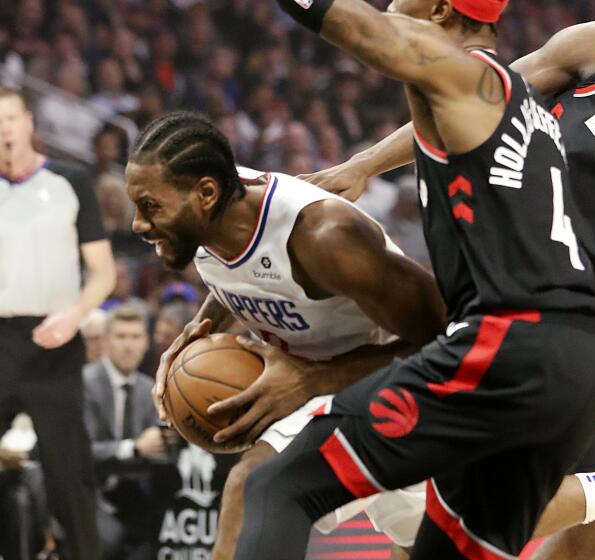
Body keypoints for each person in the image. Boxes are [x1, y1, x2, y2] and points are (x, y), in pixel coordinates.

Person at [218, 0, 595, 557]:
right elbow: (470, 92)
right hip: (509, 287)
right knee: (435, 508)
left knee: (591, 518)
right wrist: (363, 165)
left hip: (588, 314)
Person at [123, 112, 446, 560]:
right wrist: (198, 334)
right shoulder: (207, 205)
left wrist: (311, 380)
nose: (138, 224)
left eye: (150, 206)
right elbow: (238, 268)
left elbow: (447, 338)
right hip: (319, 386)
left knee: (258, 486)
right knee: (254, 486)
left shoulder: (324, 236)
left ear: (206, 195)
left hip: (396, 383)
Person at [0, 86, 116, 560]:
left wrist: (75, 316)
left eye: (10, 118)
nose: (3, 129)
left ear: (30, 122)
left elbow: (104, 273)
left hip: (55, 341)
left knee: (70, 477)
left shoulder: (70, 181)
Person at [83, 305, 171, 560]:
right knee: (109, 539)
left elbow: (160, 448)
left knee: (163, 537)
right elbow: (79, 452)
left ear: (146, 342)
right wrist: (134, 448)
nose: (128, 346)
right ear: (106, 340)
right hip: (92, 495)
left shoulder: (150, 389)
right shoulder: (84, 383)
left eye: (135, 337)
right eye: (121, 337)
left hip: (136, 496)